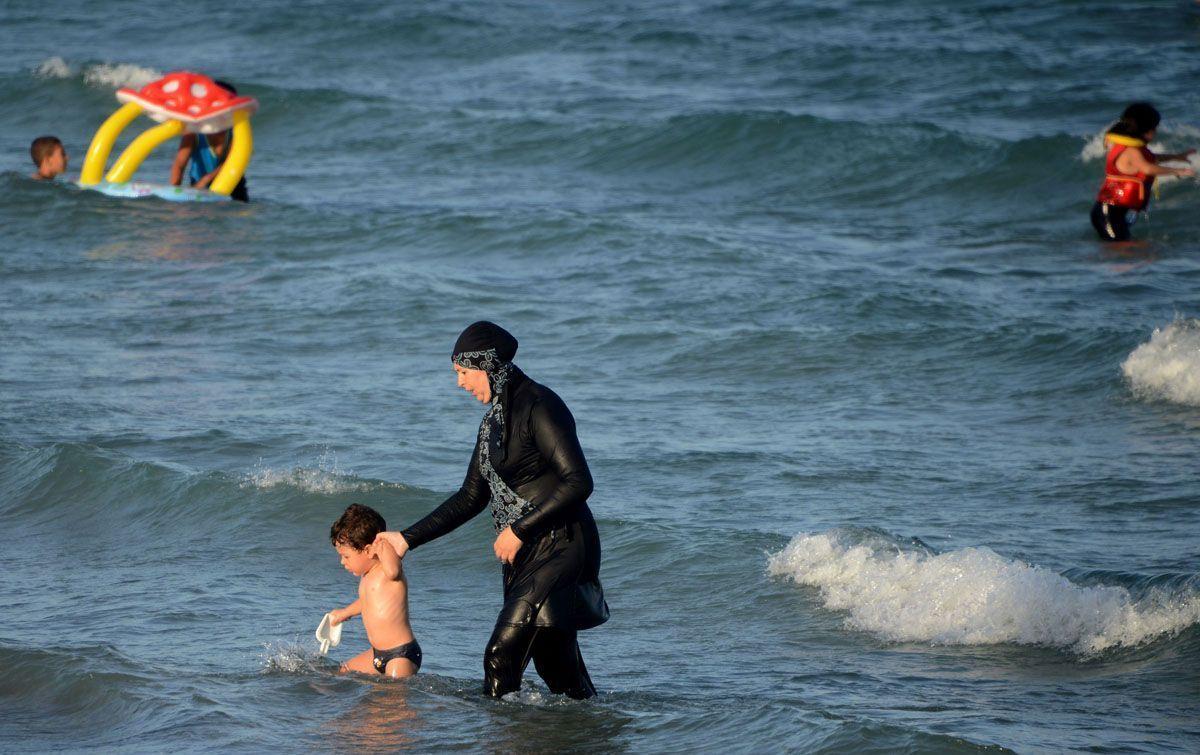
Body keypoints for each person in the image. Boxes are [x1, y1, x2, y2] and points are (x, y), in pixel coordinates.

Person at [374, 321, 609, 700]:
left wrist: (518, 529)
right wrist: (406, 538)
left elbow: (579, 482)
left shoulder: (540, 406)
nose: (460, 384)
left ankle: (496, 738)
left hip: (561, 544)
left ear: (488, 365)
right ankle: (595, 734)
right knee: (557, 668)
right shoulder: (492, 423)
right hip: (528, 552)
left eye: (464, 373)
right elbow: (471, 496)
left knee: (501, 655)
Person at [327, 504, 421, 678]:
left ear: (369, 550)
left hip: (400, 655)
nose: (342, 562)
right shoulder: (367, 576)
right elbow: (368, 602)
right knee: (343, 672)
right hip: (377, 654)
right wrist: (344, 613)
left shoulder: (387, 568)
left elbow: (394, 571)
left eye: (346, 556)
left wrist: (383, 545)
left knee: (394, 699)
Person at [1091, 102, 1195, 242]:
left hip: (1109, 211)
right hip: (1109, 213)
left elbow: (1152, 158)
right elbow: (1147, 168)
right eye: (1154, 128)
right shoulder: (1132, 151)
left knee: (1126, 251)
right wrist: (1178, 171)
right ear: (1146, 129)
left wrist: (1177, 156)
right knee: (1124, 252)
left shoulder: (1130, 149)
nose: (1156, 132)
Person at [168, 79, 249, 202]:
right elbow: (179, 164)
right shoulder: (194, 132)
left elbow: (230, 162)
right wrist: (173, 193)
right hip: (198, 185)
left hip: (233, 185)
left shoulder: (236, 132)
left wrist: (206, 180)